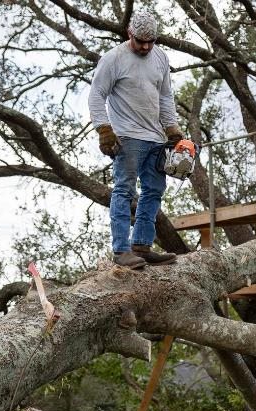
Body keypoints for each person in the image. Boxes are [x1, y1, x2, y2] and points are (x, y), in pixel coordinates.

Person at [89, 11, 183, 268]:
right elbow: (97, 94)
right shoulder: (114, 58)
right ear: (130, 34)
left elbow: (165, 97)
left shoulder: (160, 58)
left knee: (154, 190)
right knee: (124, 190)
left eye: (150, 41)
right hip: (127, 136)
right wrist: (104, 129)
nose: (145, 46)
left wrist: (172, 128)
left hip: (155, 136)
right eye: (140, 41)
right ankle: (121, 251)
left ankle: (141, 245)